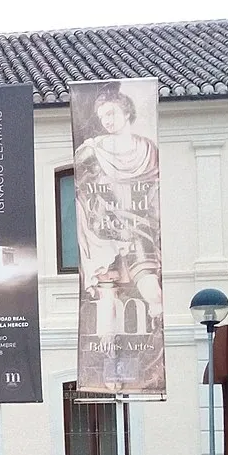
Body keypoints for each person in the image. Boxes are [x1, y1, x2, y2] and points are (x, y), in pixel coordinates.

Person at [74, 84, 163, 331]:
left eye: (111, 113)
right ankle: (106, 346)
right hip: (105, 233)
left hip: (140, 229)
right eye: (102, 116)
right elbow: (80, 194)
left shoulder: (148, 150)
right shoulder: (92, 151)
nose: (107, 120)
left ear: (126, 111)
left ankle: (155, 333)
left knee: (153, 292)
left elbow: (154, 195)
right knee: (107, 298)